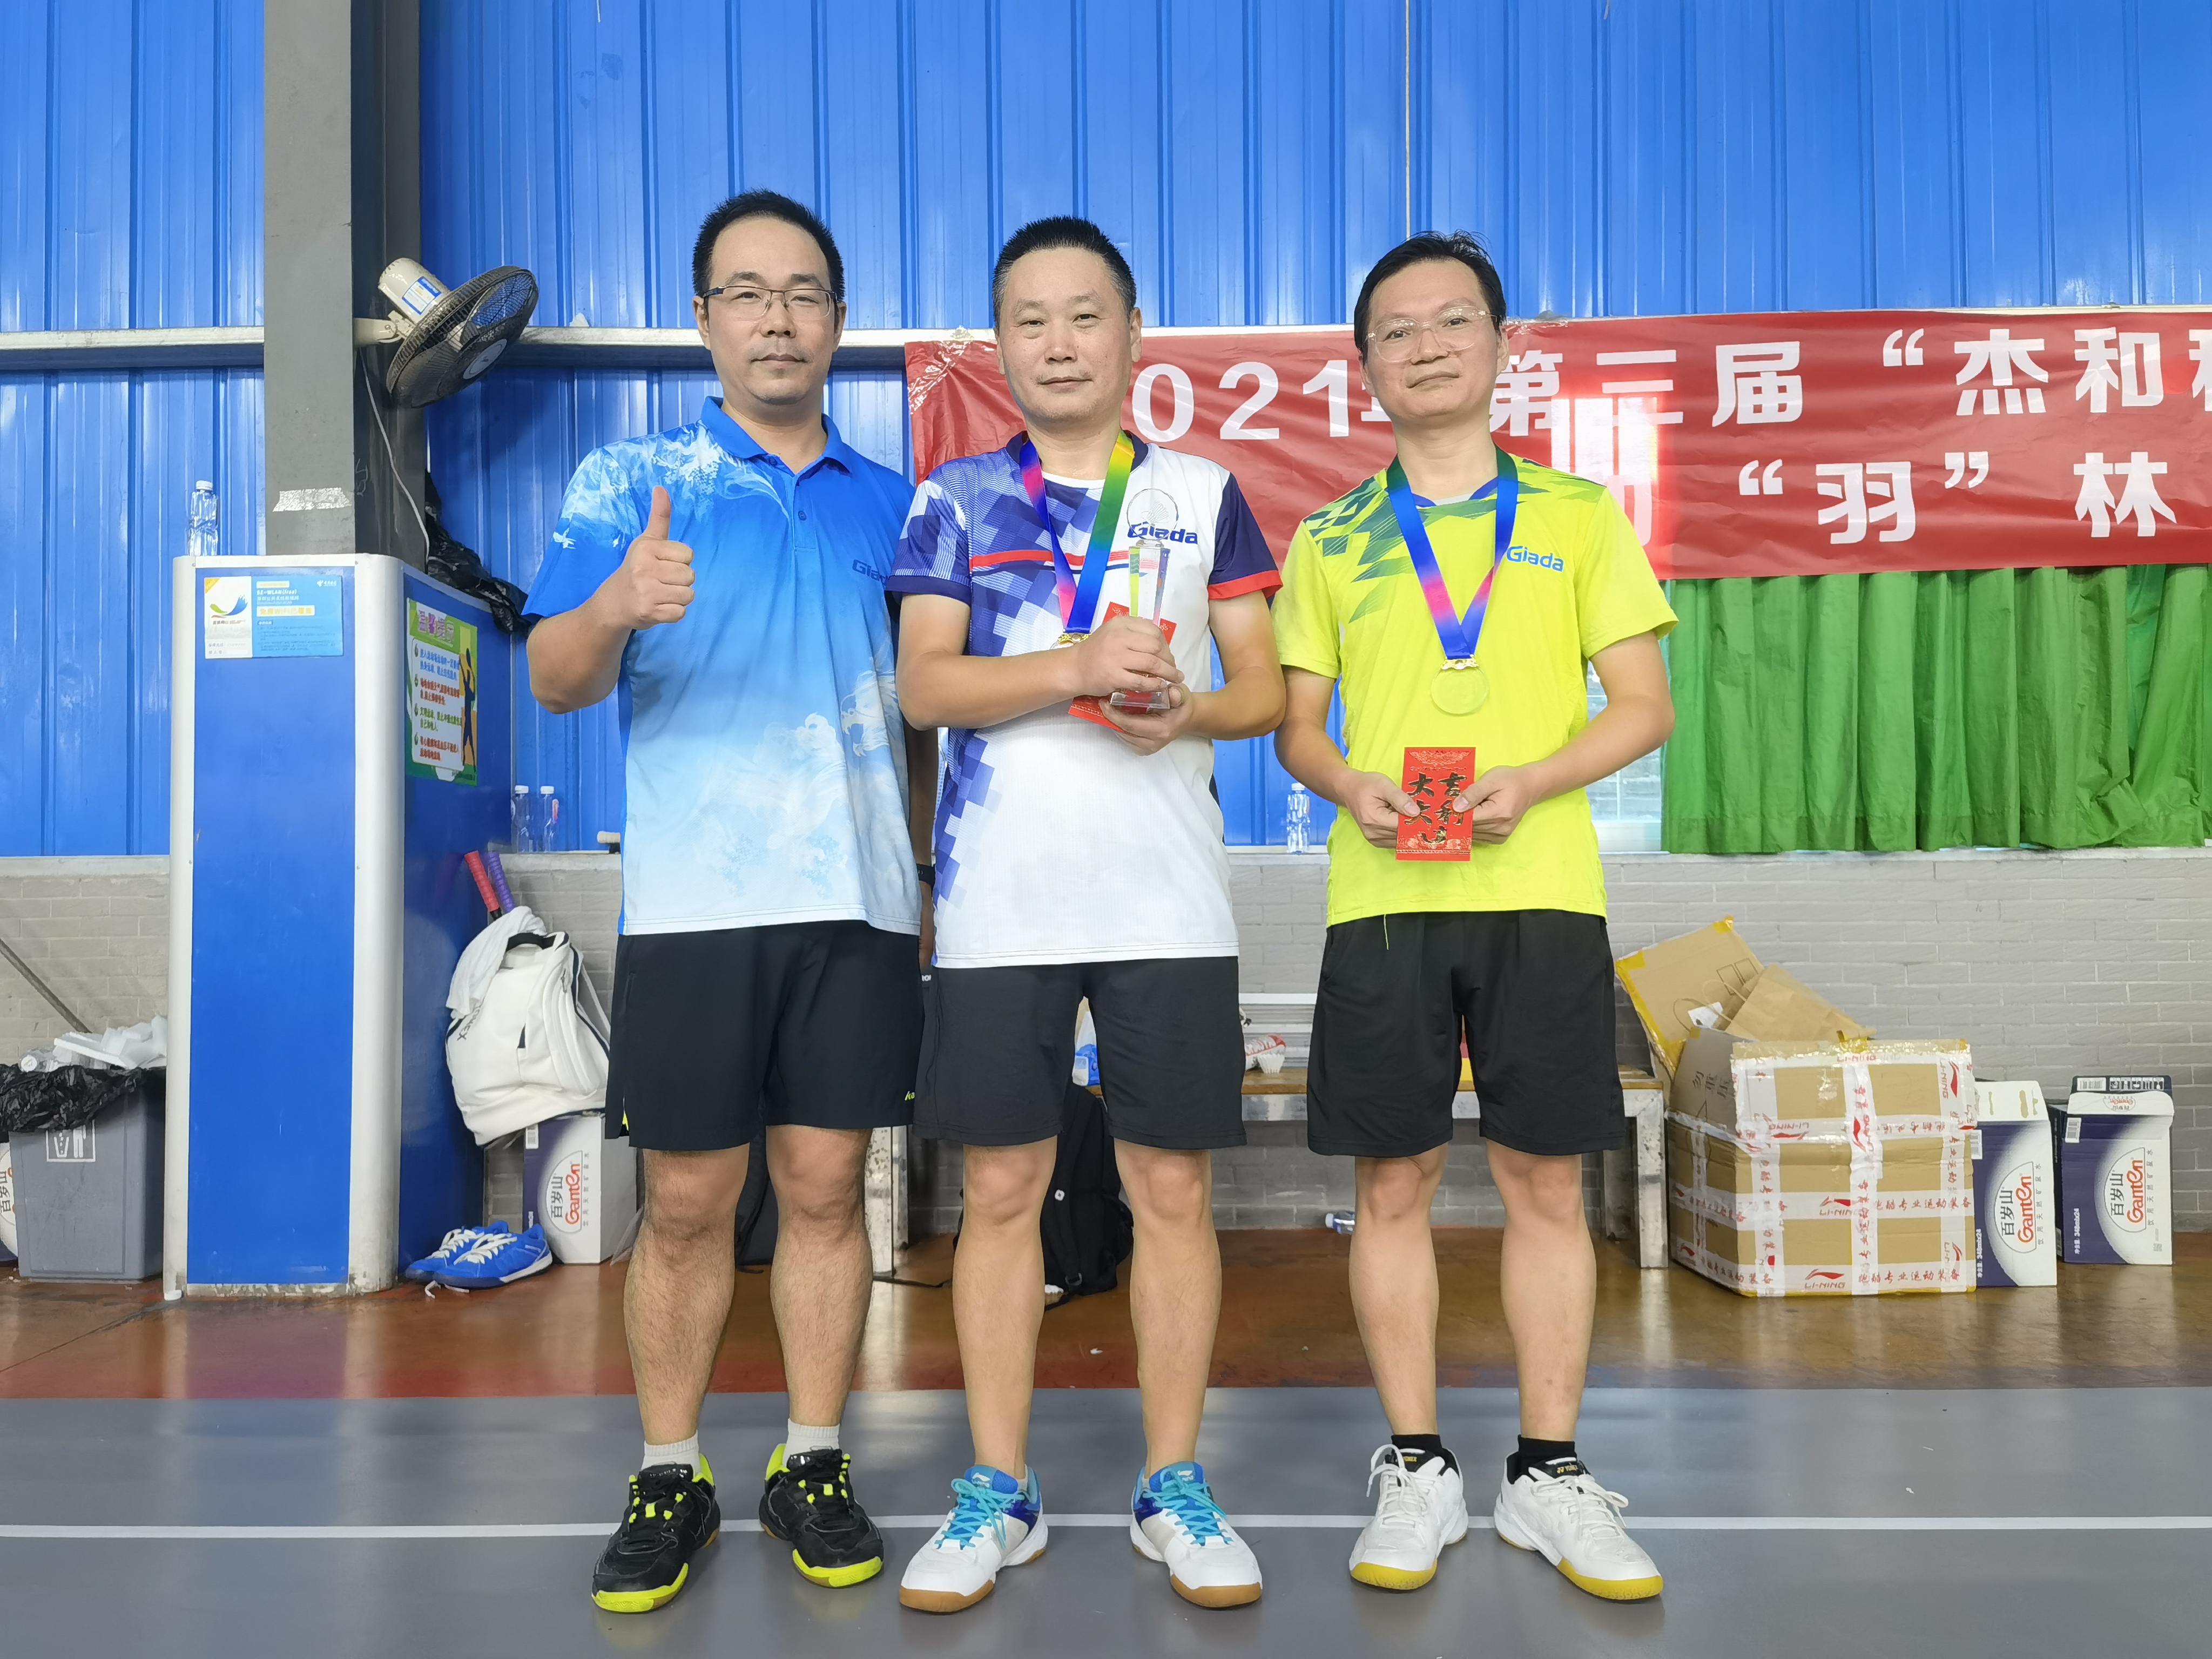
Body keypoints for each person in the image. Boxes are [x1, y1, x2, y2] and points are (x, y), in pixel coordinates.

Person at [524, 190, 935, 1613]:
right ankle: (670, 1472)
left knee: (826, 1191)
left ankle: (811, 1459)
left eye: (802, 292)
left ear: (838, 320)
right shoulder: (630, 481)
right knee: (691, 1203)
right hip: (696, 904)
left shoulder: (897, 504)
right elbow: (554, 679)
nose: (776, 317)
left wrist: (919, 877)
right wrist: (613, 605)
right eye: (746, 293)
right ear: (703, 319)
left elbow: (919, 716)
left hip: (857, 907)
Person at [886, 216, 1285, 1614]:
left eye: (1084, 316)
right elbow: (926, 688)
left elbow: (1261, 690)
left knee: (1171, 1192)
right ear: (1000, 345)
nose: (1058, 344)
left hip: (1166, 901)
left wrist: (1187, 710)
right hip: (999, 903)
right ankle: (999, 1490)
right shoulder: (952, 500)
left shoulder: (1203, 492)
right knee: (1000, 1193)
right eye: (1030, 320)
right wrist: (1070, 666)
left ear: (1131, 334)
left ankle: (1173, 1485)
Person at [1271, 232, 1676, 1602]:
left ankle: (1546, 1475)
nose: (1426, 345)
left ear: (1503, 346)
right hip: (1383, 897)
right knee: (1387, 1185)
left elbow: (1642, 707)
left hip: (1539, 892)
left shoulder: (1576, 515)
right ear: (1364, 365)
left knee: (1544, 1183)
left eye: (1453, 320)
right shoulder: (1330, 536)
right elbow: (1298, 730)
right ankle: (1416, 1468)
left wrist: (1535, 780)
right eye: (1396, 329)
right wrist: (1352, 788)